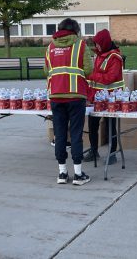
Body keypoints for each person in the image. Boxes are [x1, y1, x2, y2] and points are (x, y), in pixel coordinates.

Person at [44, 18, 92, 185]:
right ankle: (78, 174)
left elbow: (46, 70)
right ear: (76, 30)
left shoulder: (50, 47)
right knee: (77, 134)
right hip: (76, 95)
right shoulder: (81, 45)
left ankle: (62, 173)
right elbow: (89, 70)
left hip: (56, 95)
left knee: (60, 134)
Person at [83, 29, 125, 165]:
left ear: (105, 43)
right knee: (93, 125)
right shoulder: (99, 55)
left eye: (99, 44)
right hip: (97, 98)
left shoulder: (115, 58)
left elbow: (108, 79)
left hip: (112, 98)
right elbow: (96, 81)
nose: (97, 47)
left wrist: (90, 75)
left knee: (110, 126)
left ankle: (112, 153)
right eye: (96, 44)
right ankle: (94, 150)